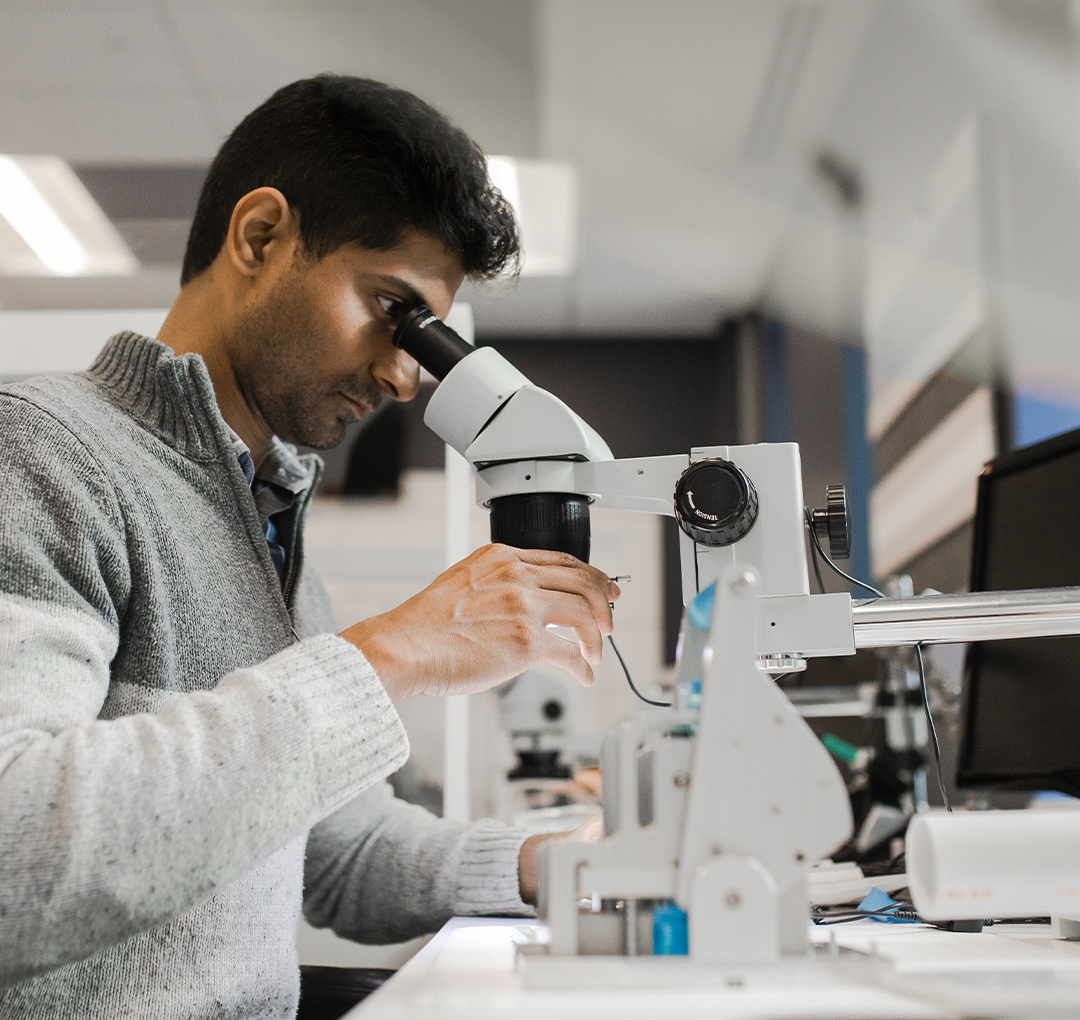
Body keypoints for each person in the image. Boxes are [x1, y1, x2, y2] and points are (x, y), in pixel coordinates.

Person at [0, 75, 617, 1018]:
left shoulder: (267, 517)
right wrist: (388, 654)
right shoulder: (42, 452)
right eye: (390, 307)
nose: (406, 374)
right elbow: (13, 855)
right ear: (259, 237)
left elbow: (339, 851)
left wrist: (551, 863)